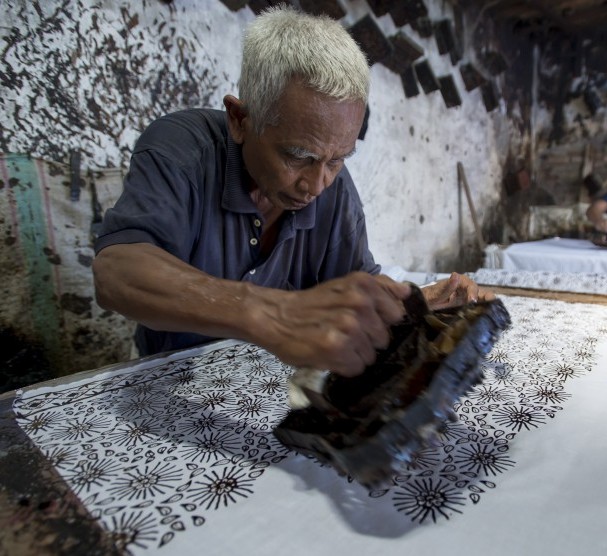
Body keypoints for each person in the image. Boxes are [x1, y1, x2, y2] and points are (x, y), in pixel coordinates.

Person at [92, 7, 490, 378]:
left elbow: (356, 293)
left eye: (338, 159)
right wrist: (272, 313)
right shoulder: (182, 150)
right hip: (169, 374)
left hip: (264, 380)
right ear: (240, 120)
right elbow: (117, 273)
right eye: (298, 156)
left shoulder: (334, 187)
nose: (317, 185)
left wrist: (417, 302)